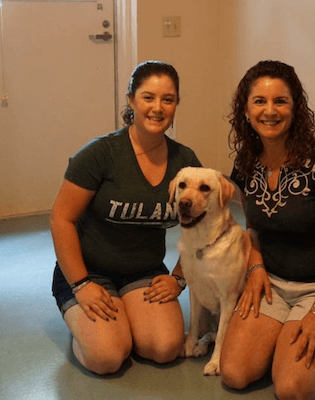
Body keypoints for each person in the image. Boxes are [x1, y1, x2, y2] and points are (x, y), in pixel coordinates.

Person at [219, 60, 315, 399]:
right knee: (234, 374)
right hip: (272, 281)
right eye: (259, 101)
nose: (270, 111)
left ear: (296, 107)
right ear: (245, 110)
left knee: (290, 389)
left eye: (280, 101)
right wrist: (256, 266)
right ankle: (286, 333)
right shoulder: (246, 162)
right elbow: (253, 228)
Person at [50, 60, 200, 375]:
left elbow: (204, 227)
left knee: (165, 349)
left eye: (168, 99)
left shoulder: (185, 161)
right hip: (88, 272)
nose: (158, 108)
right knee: (107, 357)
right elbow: (61, 219)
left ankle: (123, 318)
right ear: (131, 100)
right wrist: (80, 284)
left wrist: (179, 277)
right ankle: (85, 324)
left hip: (143, 272)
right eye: (148, 97)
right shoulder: (99, 154)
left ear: (176, 105)